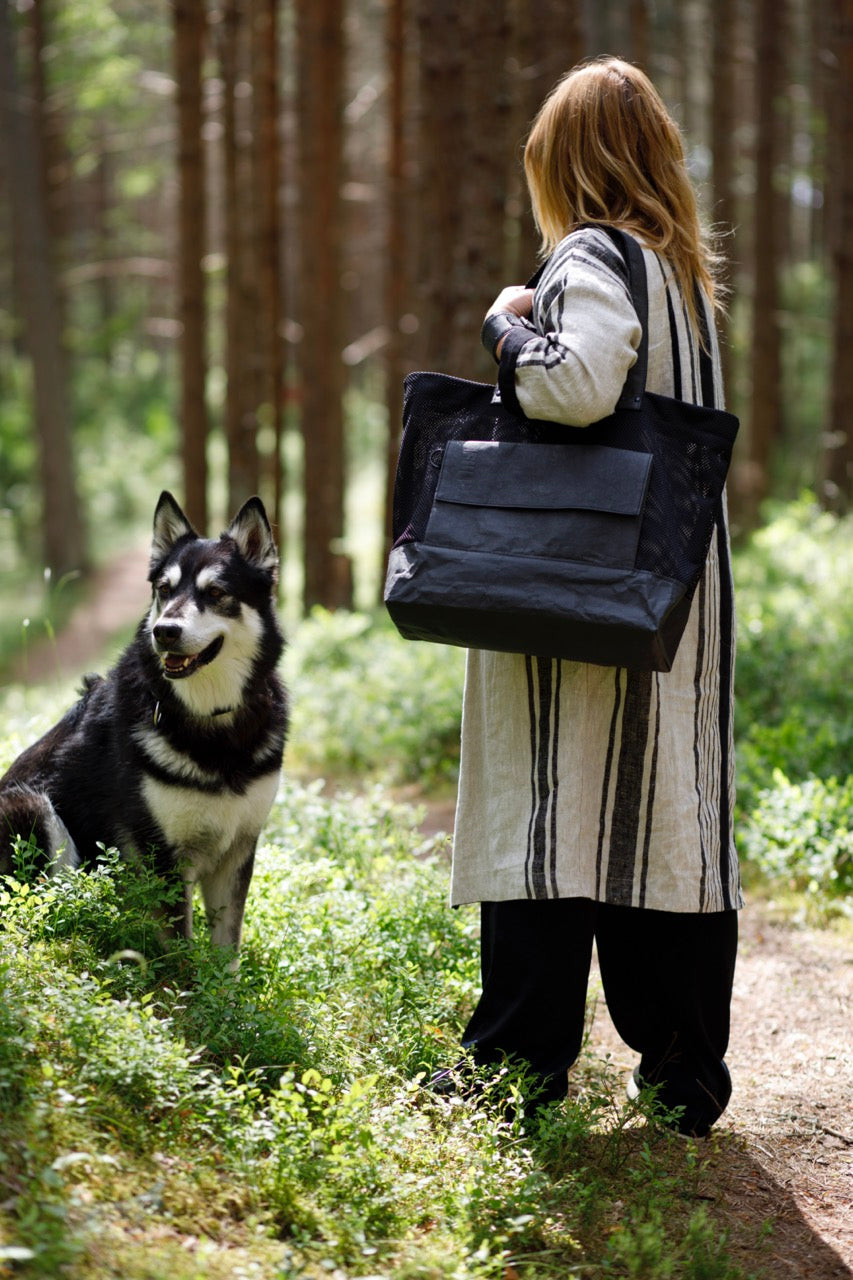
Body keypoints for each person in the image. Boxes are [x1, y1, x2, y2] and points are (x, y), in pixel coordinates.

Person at [441, 57, 741, 1138]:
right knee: (661, 816)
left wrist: (504, 323)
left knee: (548, 806)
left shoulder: (587, 254)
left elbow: (573, 386)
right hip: (671, 579)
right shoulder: (681, 276)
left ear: (562, 164)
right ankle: (680, 1078)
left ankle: (514, 1063)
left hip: (574, 585)